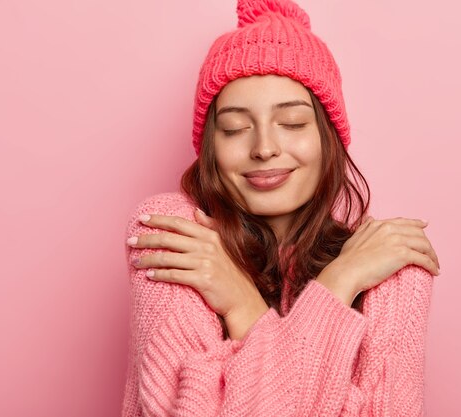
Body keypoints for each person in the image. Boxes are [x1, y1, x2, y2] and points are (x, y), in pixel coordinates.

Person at [120, 0, 440, 416]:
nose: (265, 148)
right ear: (209, 147)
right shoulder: (173, 233)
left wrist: (246, 307)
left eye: (292, 123)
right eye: (235, 128)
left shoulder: (389, 265)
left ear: (329, 137)